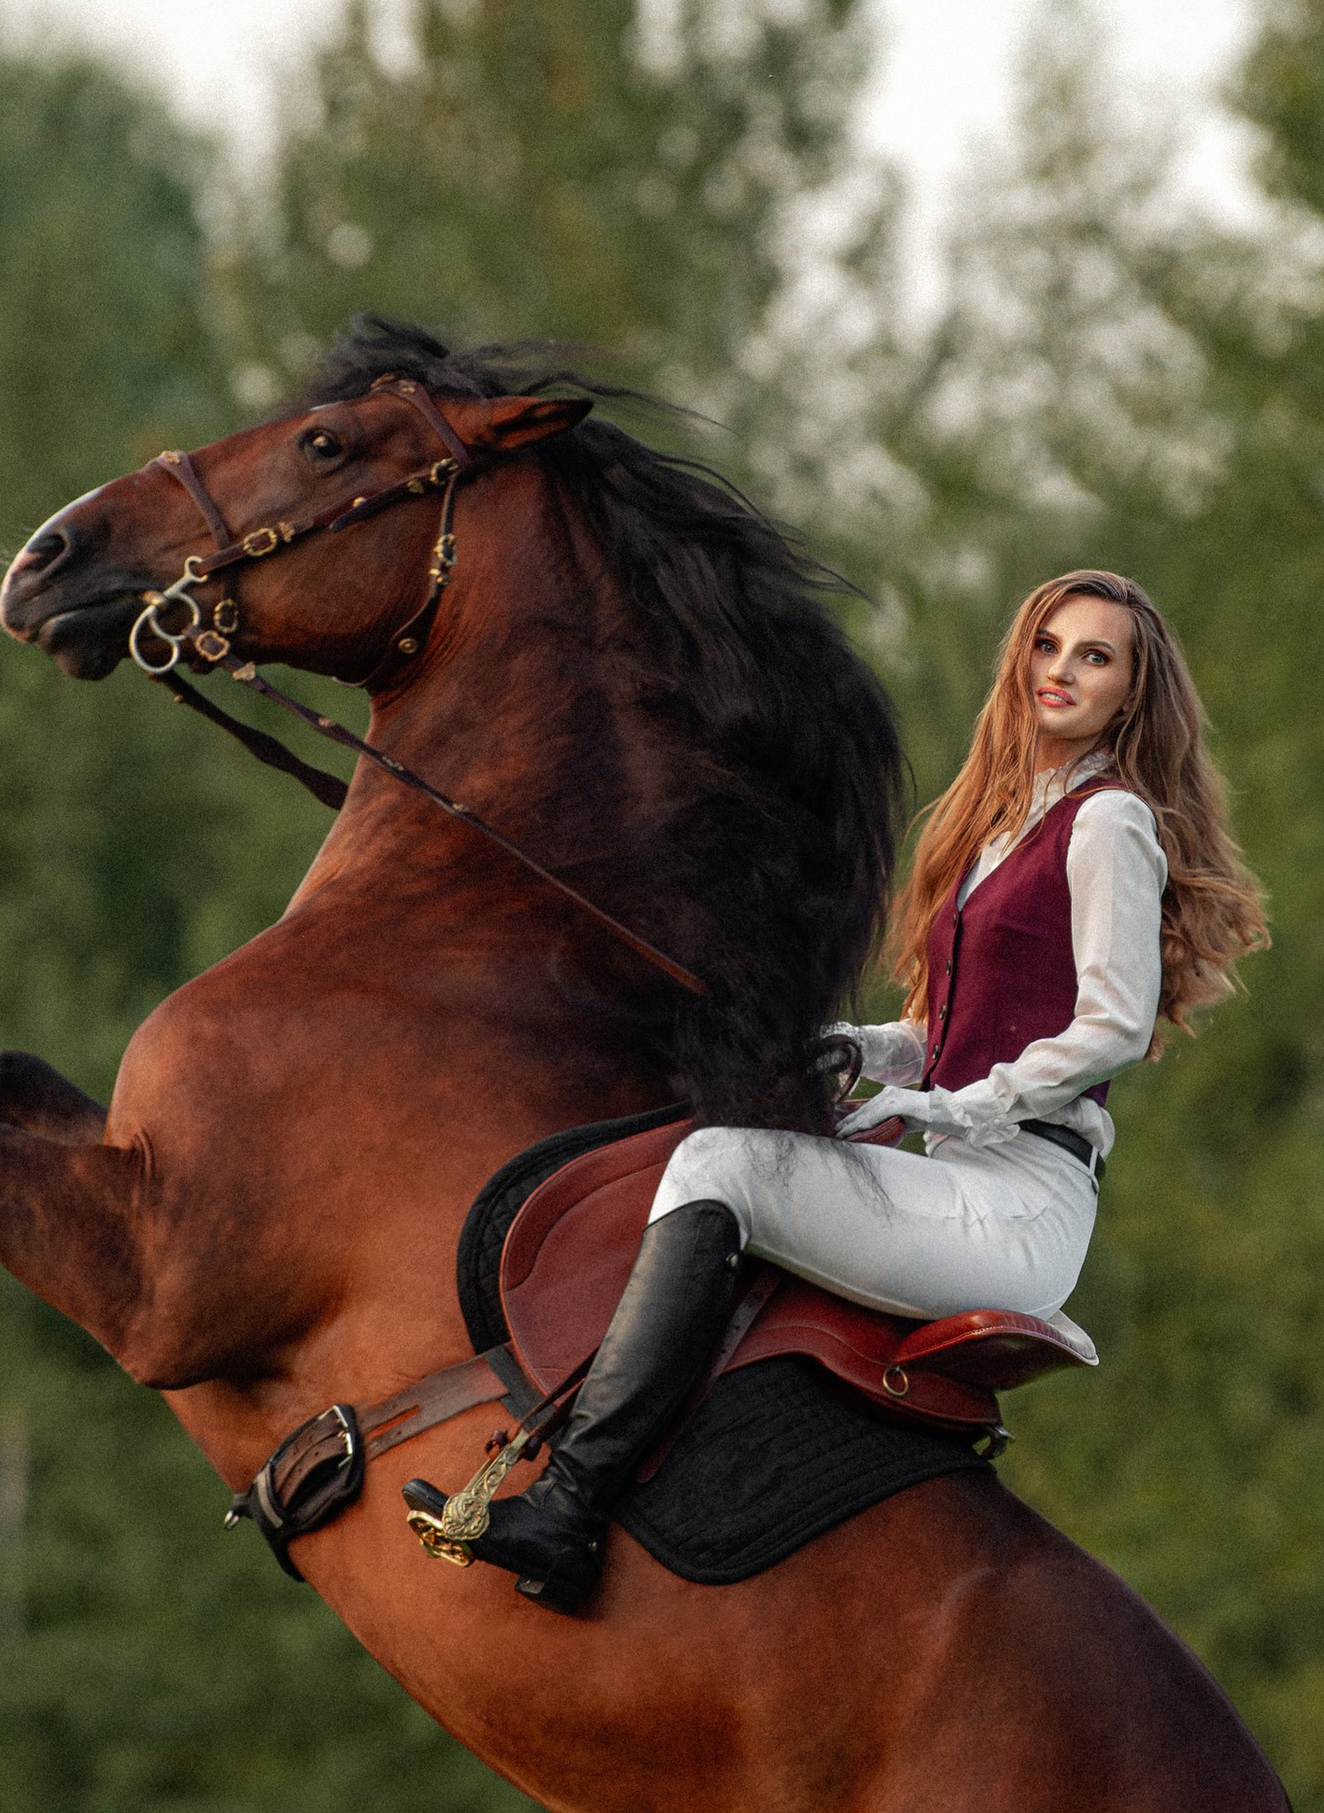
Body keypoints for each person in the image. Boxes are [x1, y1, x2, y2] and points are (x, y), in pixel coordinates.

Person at [416, 571, 1268, 1613]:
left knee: (723, 1164)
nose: (1061, 670)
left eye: (1095, 657)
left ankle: (568, 1508)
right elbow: (948, 1028)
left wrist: (950, 1107)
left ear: (1132, 692)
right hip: (954, 1175)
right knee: (713, 1141)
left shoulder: (1109, 822)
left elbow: (1114, 1025)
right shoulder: (1003, 822)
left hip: (1018, 1206)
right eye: (1047, 645)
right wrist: (860, 1047)